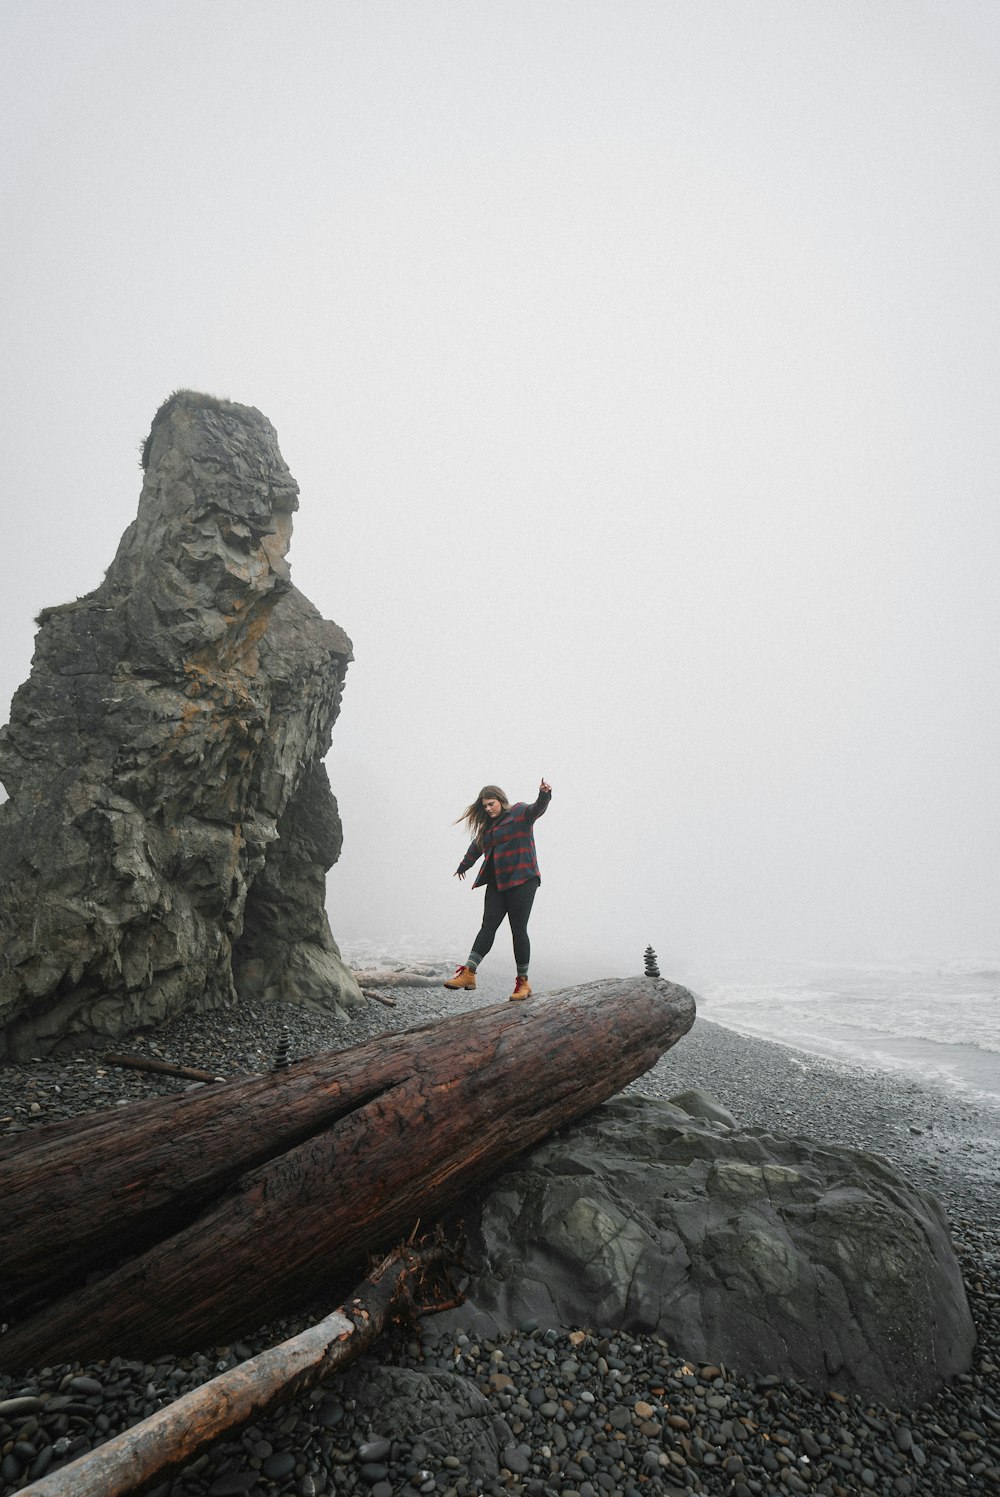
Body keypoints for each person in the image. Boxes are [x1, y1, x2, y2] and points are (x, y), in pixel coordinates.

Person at [444, 778, 552, 1001]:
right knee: (487, 926)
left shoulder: (520, 813)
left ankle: (523, 983)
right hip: (497, 882)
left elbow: (537, 809)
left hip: (523, 879)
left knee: (518, 930)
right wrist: (463, 866)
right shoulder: (488, 829)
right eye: (484, 806)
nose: (488, 809)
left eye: (490, 804)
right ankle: (469, 973)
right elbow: (475, 848)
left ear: (501, 800)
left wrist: (544, 795)